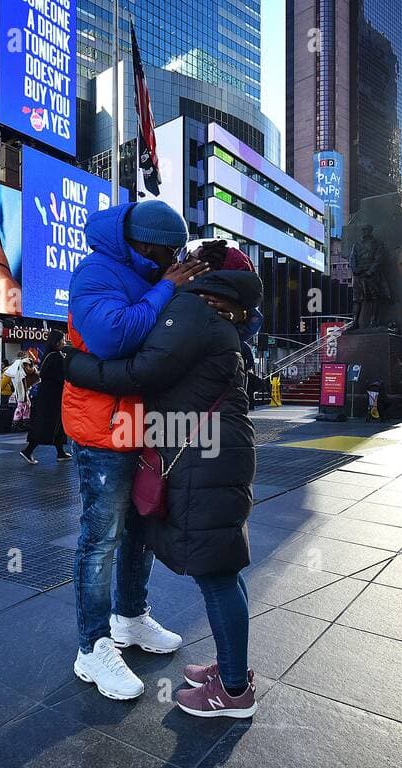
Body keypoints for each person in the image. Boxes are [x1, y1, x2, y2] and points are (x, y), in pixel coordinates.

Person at [65, 242, 264, 718]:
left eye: (184, 259)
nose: (173, 266)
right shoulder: (227, 312)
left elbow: (141, 370)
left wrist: (72, 364)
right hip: (217, 448)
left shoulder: (194, 309)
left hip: (203, 456)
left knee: (216, 572)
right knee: (224, 564)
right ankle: (230, 669)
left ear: (201, 270)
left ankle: (233, 691)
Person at [62, 199, 207, 700]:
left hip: (137, 422)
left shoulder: (142, 269)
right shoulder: (95, 272)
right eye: (169, 254)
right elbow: (110, 336)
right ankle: (92, 646)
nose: (175, 261)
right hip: (100, 427)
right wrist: (169, 287)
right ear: (143, 245)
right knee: (101, 537)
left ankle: (130, 617)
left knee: (140, 527)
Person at [21, 329, 71, 464]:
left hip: (47, 395)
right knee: (48, 425)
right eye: (63, 340)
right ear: (57, 342)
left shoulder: (49, 355)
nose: (64, 342)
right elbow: (62, 377)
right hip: (53, 397)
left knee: (52, 424)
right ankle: (28, 450)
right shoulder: (56, 357)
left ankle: (60, 452)